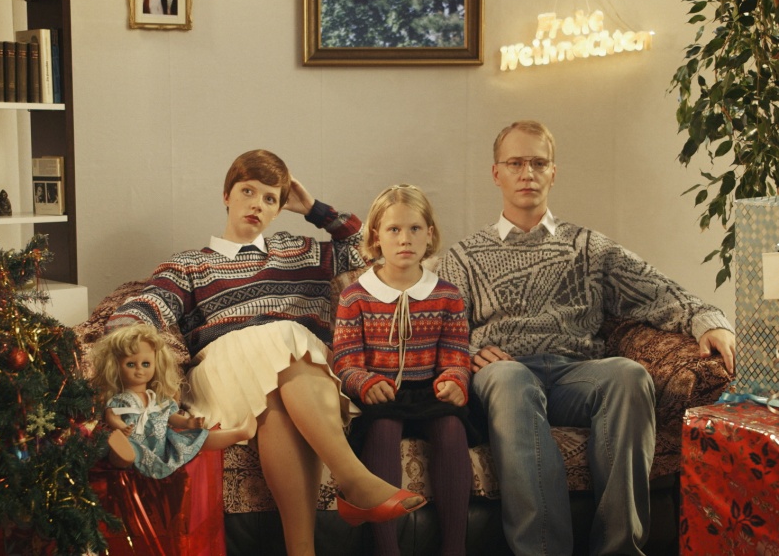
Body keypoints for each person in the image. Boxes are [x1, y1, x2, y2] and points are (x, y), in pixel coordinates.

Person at [437, 120, 735, 556]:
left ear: (553, 172)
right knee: (510, 379)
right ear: (496, 173)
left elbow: (657, 290)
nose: (527, 173)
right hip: (504, 376)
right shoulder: (463, 257)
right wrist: (469, 354)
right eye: (515, 163)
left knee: (630, 376)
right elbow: (439, 329)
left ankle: (620, 547)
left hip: (574, 373)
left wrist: (709, 321)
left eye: (538, 163)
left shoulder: (589, 248)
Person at [106, 149, 425, 555]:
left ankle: (302, 550)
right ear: (227, 195)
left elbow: (374, 247)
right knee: (283, 336)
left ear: (279, 209)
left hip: (299, 374)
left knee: (277, 397)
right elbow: (144, 308)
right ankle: (354, 480)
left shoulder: (302, 252)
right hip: (224, 371)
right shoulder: (190, 264)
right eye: (248, 191)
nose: (257, 204)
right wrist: (123, 339)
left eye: (270, 198)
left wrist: (314, 209)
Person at [333, 184, 473, 556]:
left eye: (415, 229)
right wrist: (364, 382)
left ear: (430, 234)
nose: (405, 239)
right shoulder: (355, 295)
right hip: (381, 395)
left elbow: (456, 355)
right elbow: (345, 360)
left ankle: (454, 547)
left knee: (451, 427)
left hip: (429, 392)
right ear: (376, 237)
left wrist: (454, 380)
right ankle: (386, 548)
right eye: (394, 229)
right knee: (382, 430)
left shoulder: (447, 295)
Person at [90, 323, 254, 478]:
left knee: (197, 438)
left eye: (146, 364)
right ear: (115, 367)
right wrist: (121, 427)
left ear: (156, 364)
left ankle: (240, 432)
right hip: (134, 441)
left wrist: (188, 423)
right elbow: (112, 416)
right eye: (131, 364)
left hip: (161, 444)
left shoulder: (157, 399)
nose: (139, 370)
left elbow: (172, 417)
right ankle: (122, 456)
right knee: (126, 449)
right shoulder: (120, 399)